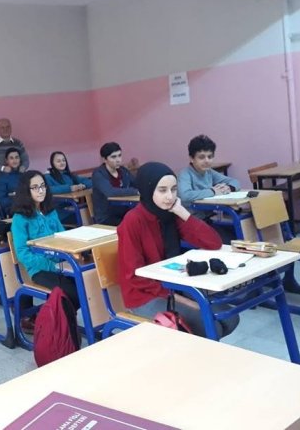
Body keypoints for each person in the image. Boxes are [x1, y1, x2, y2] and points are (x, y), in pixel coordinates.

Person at [116, 162, 239, 338]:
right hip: (144, 295)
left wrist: (182, 212)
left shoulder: (170, 213)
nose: (170, 196)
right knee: (210, 327)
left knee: (230, 318)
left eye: (174, 190)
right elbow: (135, 277)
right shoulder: (132, 222)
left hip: (173, 284)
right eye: (162, 190)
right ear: (147, 190)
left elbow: (213, 242)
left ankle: (195, 347)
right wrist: (181, 299)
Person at [10, 171, 79, 310]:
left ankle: (61, 318)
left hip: (62, 263)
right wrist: (53, 267)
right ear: (26, 191)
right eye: (35, 187)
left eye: (43, 186)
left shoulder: (50, 211)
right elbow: (23, 253)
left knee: (87, 283)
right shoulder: (20, 218)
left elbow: (63, 238)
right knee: (72, 292)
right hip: (39, 269)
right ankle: (55, 319)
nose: (41, 190)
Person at [178, 134, 241, 243]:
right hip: (189, 223)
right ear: (192, 158)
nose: (207, 161)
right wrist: (213, 191)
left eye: (210, 156)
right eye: (201, 157)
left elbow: (235, 182)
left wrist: (228, 188)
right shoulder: (185, 174)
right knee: (226, 241)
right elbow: (185, 195)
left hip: (207, 221)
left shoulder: (209, 172)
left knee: (236, 234)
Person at [92, 142, 138, 226]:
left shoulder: (123, 171)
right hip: (106, 217)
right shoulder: (98, 174)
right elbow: (110, 192)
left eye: (119, 155)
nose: (118, 160)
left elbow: (136, 183)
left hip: (124, 212)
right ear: (104, 159)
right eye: (113, 157)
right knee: (133, 225)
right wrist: (136, 191)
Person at [0, 147, 23, 217]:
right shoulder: (1, 180)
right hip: (13, 212)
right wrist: (18, 199)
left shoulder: (25, 176)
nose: (15, 160)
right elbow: (1, 201)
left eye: (17, 157)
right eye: (11, 158)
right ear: (6, 161)